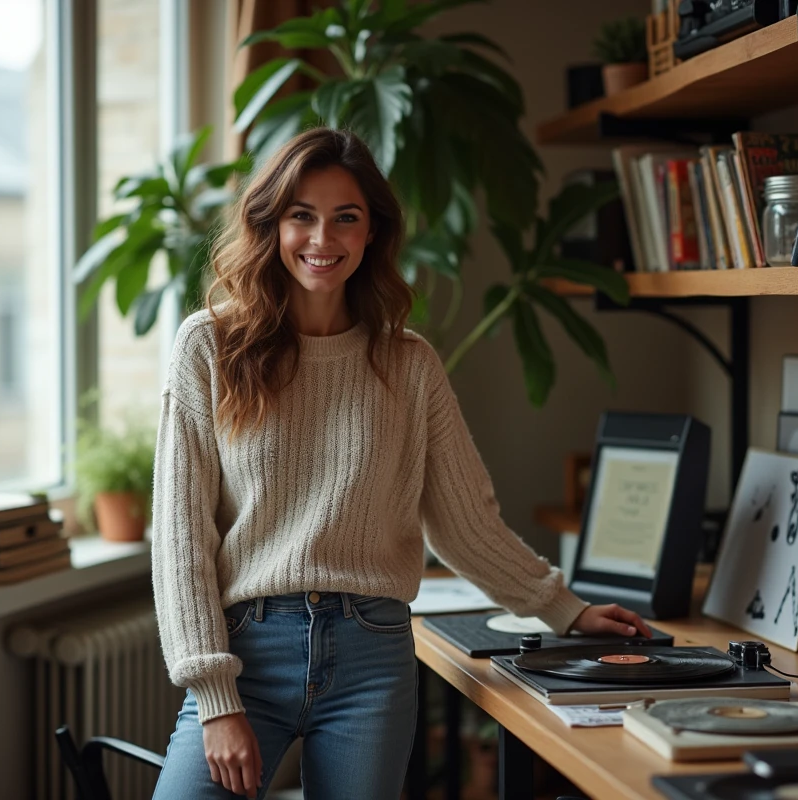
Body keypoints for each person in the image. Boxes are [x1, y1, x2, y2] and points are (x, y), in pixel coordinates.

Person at [150, 127, 649, 800]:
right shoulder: (209, 347)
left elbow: (464, 520)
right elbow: (182, 538)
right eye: (302, 215)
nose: (322, 239)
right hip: (247, 655)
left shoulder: (408, 363)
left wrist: (563, 607)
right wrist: (215, 698)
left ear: (372, 233)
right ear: (272, 223)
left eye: (345, 219)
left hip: (370, 657)